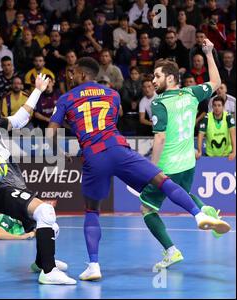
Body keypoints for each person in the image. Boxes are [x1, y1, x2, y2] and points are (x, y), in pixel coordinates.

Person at [47, 56, 231, 281]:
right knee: (163, 182)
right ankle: (198, 214)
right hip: (118, 148)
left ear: (83, 75)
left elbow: (51, 133)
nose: (71, 76)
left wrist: (59, 151)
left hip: (93, 156)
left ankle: (94, 265)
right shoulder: (113, 94)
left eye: (73, 72)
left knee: (93, 211)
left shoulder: (66, 98)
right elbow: (115, 118)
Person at [0, 73, 76, 284]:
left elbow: (21, 118)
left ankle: (41, 262)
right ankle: (48, 272)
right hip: (2, 189)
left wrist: (38, 89)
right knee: (45, 211)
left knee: (49, 226)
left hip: (15, 185)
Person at [138, 39, 230, 267]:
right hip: (188, 162)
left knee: (147, 207)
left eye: (157, 76)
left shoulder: (158, 103)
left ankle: (171, 251)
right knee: (183, 193)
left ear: (169, 78)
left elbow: (159, 138)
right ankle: (208, 213)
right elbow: (217, 82)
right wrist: (209, 52)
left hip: (167, 165)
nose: (153, 80)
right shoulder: (191, 93)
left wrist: (152, 168)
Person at [197, 96, 236, 160]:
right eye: (214, 105)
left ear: (223, 107)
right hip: (210, 156)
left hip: (227, 155)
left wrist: (234, 152)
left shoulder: (228, 116)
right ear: (212, 107)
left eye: (219, 105)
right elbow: (200, 134)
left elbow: (233, 134)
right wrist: (199, 151)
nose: (216, 108)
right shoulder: (207, 117)